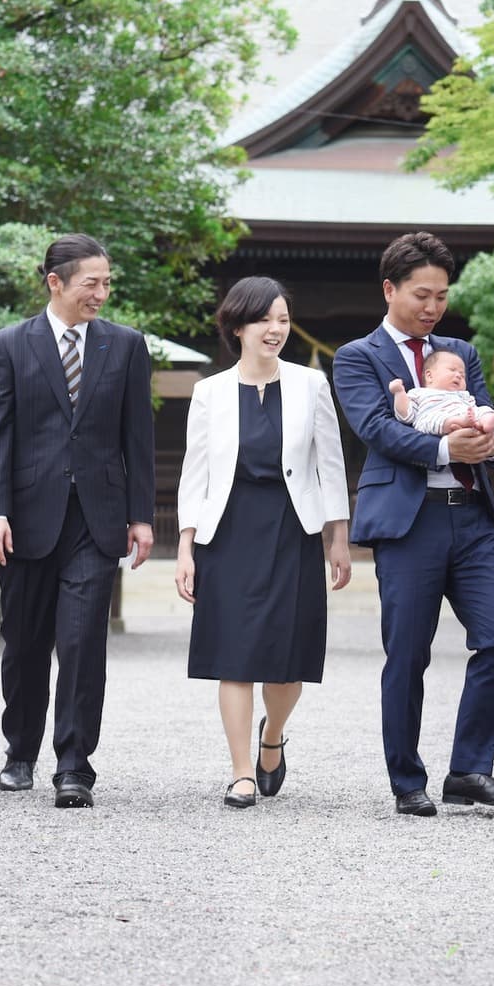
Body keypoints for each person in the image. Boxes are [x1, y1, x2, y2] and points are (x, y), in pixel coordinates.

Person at [332, 231, 494, 817]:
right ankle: (407, 780)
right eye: (422, 294)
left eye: (442, 296)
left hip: (470, 521)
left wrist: (488, 446)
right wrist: (450, 451)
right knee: (409, 654)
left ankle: (471, 769)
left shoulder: (461, 353)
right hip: (407, 524)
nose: (433, 307)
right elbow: (377, 430)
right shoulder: (358, 357)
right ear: (390, 288)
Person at [0, 233, 155, 809]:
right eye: (91, 283)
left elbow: (139, 439)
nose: (101, 293)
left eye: (107, 283)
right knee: (24, 644)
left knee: (82, 643)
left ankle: (75, 765)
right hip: (26, 518)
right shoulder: (9, 345)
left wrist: (141, 516)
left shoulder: (125, 346)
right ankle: (20, 750)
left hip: (96, 520)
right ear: (55, 282)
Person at [174, 277, 352, 808]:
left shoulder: (310, 385)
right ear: (238, 327)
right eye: (264, 320)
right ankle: (240, 773)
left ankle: (271, 736)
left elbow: (331, 464)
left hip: (292, 527)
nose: (276, 329)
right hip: (226, 532)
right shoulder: (209, 392)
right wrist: (185, 548)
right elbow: (195, 473)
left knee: (287, 659)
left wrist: (337, 538)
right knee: (234, 655)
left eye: (283, 319)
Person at [389, 348, 494, 435]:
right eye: (452, 370)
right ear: (429, 376)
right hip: (437, 418)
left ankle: (489, 422)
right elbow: (406, 415)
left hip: (468, 418)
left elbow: (474, 409)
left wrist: (487, 417)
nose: (458, 375)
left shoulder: (464, 395)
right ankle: (460, 422)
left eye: (462, 375)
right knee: (435, 420)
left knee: (482, 410)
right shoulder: (420, 393)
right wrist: (399, 393)